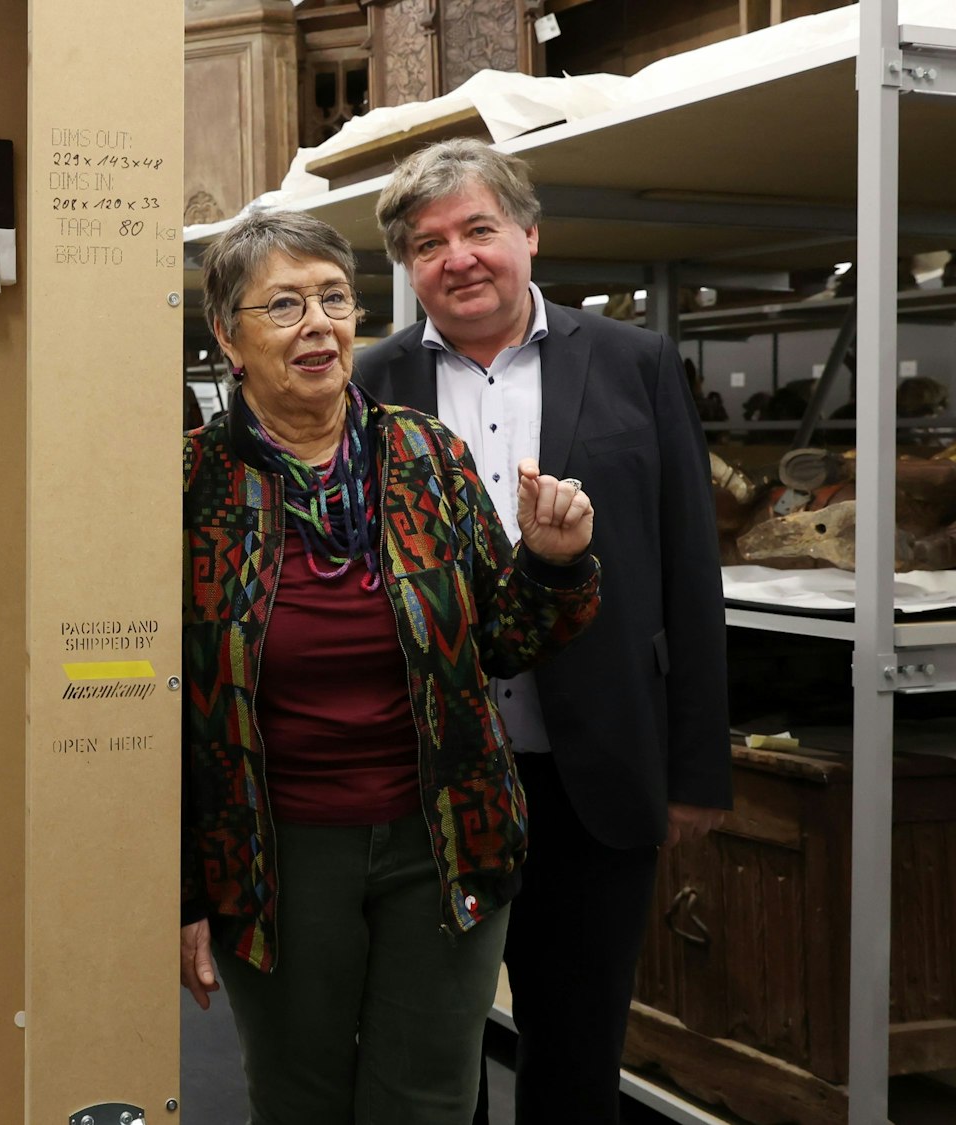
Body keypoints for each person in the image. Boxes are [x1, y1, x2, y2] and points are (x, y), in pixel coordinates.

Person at [181, 207, 601, 1125]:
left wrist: (553, 561)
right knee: (300, 1097)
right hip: (273, 854)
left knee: (427, 1101)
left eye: (335, 298)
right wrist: (182, 887)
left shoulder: (425, 454)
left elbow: (504, 640)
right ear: (227, 334)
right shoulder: (187, 483)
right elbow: (165, 709)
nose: (319, 324)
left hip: (444, 838)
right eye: (283, 305)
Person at [354, 139, 732, 1125]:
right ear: (406, 265)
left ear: (527, 234)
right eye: (428, 243)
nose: (457, 257)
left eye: (478, 229)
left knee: (575, 1047)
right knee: (435, 1045)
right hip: (424, 776)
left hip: (593, 770)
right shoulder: (368, 387)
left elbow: (688, 568)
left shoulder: (633, 363)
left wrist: (693, 769)